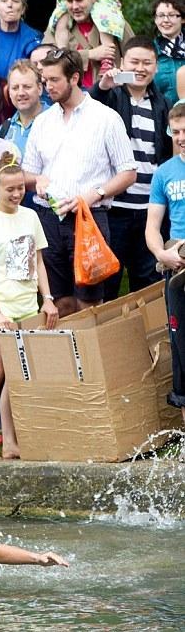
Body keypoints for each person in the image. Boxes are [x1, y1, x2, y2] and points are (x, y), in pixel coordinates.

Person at [23, 48, 136, 317]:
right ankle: (65, 359)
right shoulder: (42, 121)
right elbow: (27, 175)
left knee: (90, 302)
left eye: (53, 80)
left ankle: (91, 357)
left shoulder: (106, 118)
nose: (47, 86)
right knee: (58, 303)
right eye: (44, 79)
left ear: (74, 78)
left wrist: (94, 194)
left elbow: (129, 173)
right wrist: (36, 180)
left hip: (89, 217)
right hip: (48, 217)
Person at [0, 152, 57, 464]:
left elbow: (38, 261)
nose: (17, 193)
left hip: (26, 305)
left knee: (17, 377)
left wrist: (47, 298)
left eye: (21, 187)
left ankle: (10, 440)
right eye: (10, 189)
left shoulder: (30, 217)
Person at [92, 36, 172, 301]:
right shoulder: (111, 97)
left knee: (148, 281)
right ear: (122, 63)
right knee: (109, 280)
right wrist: (103, 86)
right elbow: (90, 105)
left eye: (147, 62)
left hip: (150, 209)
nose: (140, 68)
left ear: (156, 67)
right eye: (134, 62)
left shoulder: (161, 104)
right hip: (116, 208)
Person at [145, 101, 185, 425]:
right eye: (177, 131)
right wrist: (162, 254)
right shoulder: (164, 172)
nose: (182, 137)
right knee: (181, 345)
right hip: (177, 264)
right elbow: (152, 228)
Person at [42, 0, 134, 88]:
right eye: (69, 1)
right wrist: (89, 54)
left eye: (79, 0)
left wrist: (118, 80)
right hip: (71, 99)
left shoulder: (115, 22)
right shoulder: (57, 26)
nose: (75, 6)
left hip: (111, 98)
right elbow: (45, 63)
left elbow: (135, 64)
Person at [152, 0, 185, 105]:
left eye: (171, 15)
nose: (166, 20)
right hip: (160, 118)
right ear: (155, 20)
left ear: (183, 18)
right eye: (161, 15)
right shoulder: (149, 52)